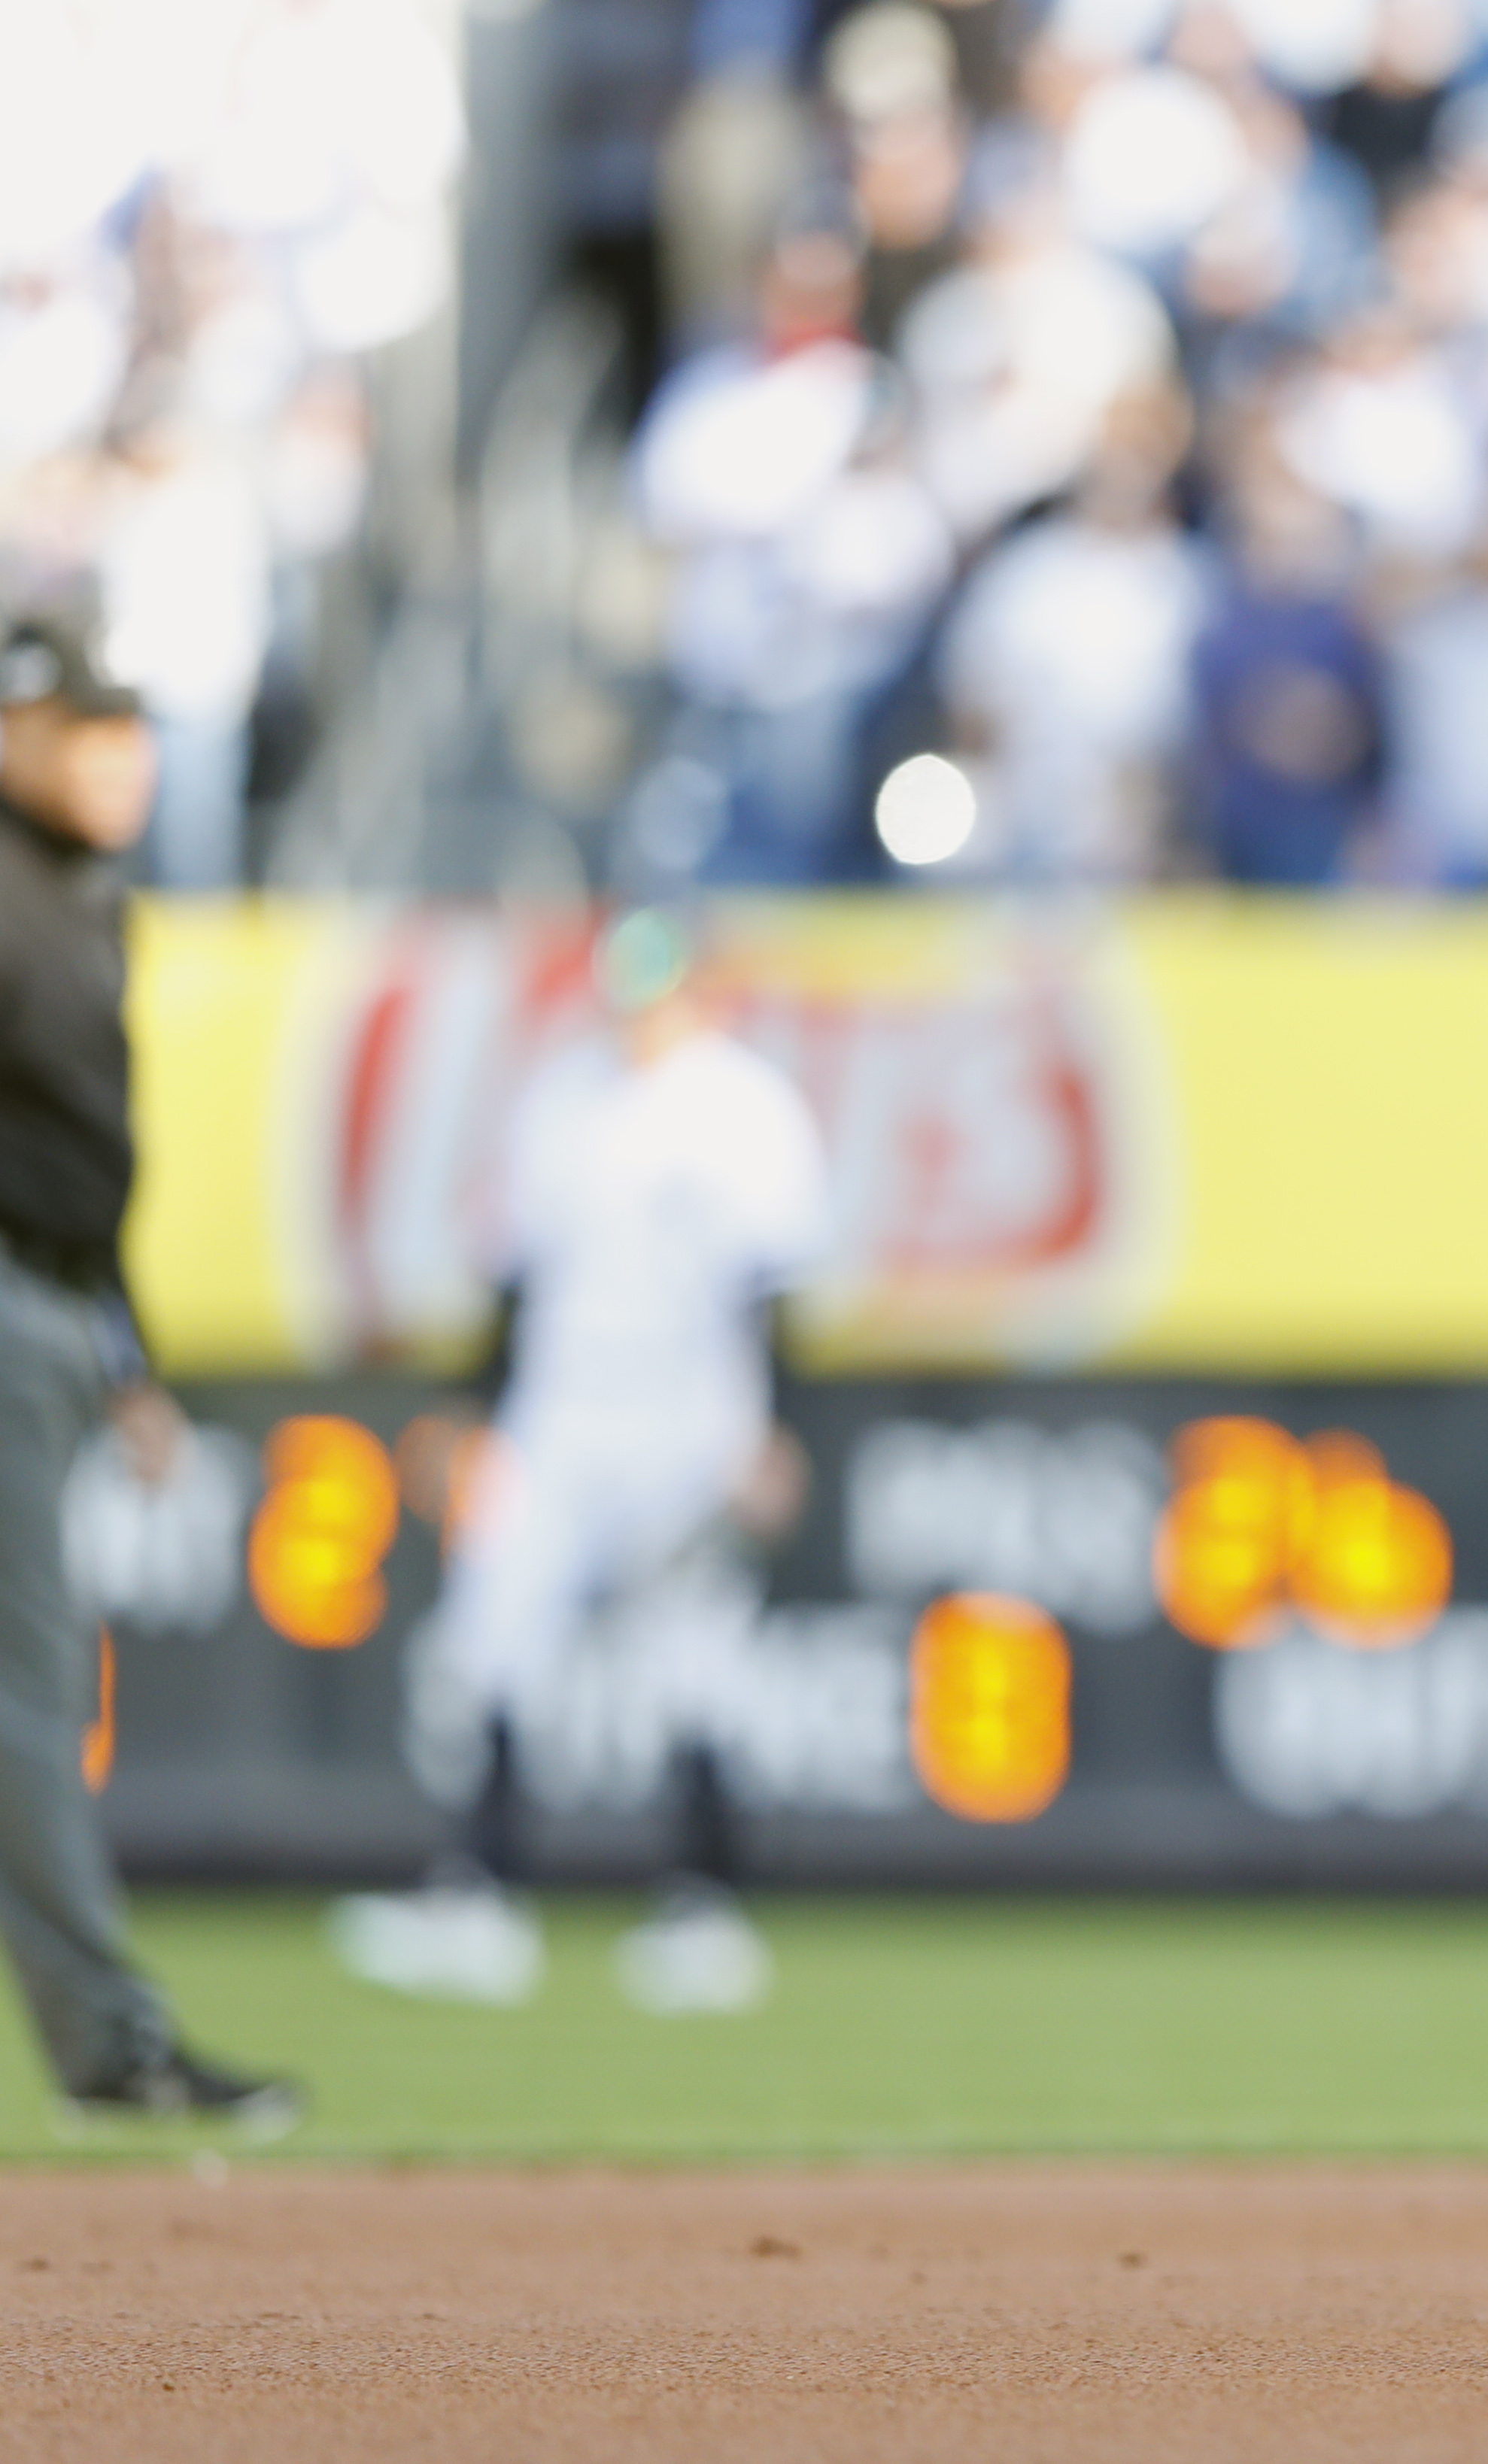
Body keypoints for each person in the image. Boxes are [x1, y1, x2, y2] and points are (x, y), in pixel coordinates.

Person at [327, 910, 830, 2015]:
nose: (639, 1012)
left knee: (694, 1661)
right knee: (489, 1639)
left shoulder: (745, 1108)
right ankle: (479, 1900)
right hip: (562, 1410)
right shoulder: (562, 1099)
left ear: (699, 990)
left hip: (691, 1415)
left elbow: (776, 1290)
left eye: (659, 990)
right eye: (625, 990)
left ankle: (706, 1910)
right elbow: (516, 1276)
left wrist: (776, 1429)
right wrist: (468, 1405)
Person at [0, 611, 297, 2129]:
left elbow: (80, 1160)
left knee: (30, 1696)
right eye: (84, 732)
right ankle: (113, 2043)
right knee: (26, 1697)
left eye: (130, 732)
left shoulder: (85, 901)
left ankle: (112, 2038)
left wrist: (126, 1352)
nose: (123, 758)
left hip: (54, 1304)